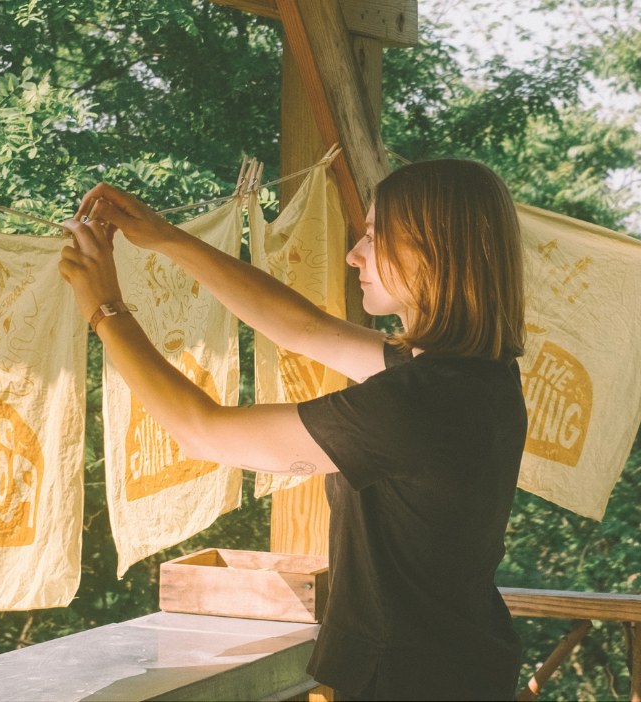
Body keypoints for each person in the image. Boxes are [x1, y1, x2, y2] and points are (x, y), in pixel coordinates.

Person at [58, 159, 528, 700]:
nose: (355, 253)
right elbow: (301, 328)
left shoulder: (415, 404)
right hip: (461, 669)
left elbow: (202, 431)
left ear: (434, 252)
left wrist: (104, 309)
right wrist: (167, 238)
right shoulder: (476, 377)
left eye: (375, 237)